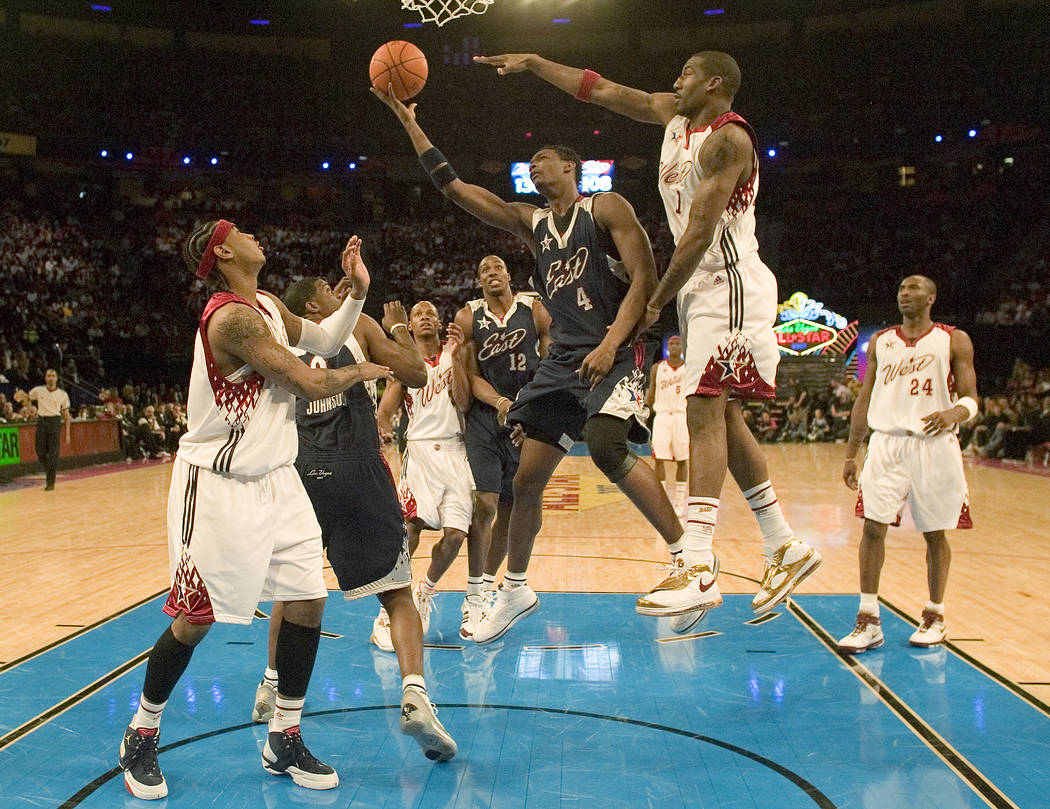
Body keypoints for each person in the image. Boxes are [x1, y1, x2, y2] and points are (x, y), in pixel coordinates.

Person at [474, 50, 822, 618]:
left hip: (726, 278)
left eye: (684, 73)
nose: (672, 80)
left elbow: (701, 233)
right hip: (702, 288)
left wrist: (654, 301)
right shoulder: (674, 118)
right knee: (724, 418)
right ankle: (783, 543)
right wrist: (536, 63)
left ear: (713, 83)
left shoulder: (728, 141)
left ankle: (699, 565)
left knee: (704, 408)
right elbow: (601, 88)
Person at [372, 85, 686, 644]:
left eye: (544, 158)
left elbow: (645, 278)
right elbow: (455, 188)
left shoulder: (607, 206)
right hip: (565, 359)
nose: (535, 165)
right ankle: (514, 587)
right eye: (532, 161)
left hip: (616, 348)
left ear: (571, 166)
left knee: (609, 446)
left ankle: (687, 560)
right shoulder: (530, 222)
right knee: (527, 478)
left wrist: (612, 342)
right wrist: (408, 122)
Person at [117, 220, 386, 800]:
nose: (254, 236)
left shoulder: (265, 302)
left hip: (277, 478)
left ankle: (284, 734)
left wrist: (358, 292)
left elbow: (319, 340)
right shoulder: (230, 317)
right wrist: (362, 372)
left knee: (309, 599)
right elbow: (306, 380)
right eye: (239, 231)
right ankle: (141, 731)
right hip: (217, 485)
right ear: (224, 252)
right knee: (196, 619)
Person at [249, 277, 456, 762]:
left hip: (301, 473)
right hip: (358, 468)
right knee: (398, 594)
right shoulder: (358, 326)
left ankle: (270, 686)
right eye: (326, 287)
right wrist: (399, 328)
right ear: (313, 303)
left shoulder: (278, 337)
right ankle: (414, 695)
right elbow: (416, 374)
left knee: (293, 589)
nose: (337, 289)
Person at [837, 275, 978, 653]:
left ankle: (935, 614)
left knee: (935, 533)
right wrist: (852, 452)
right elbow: (864, 399)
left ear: (931, 297)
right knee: (872, 529)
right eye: (900, 288)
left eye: (913, 288)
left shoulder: (954, 339)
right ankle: (868, 620)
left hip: (935, 445)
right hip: (886, 444)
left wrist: (954, 412)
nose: (904, 292)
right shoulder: (881, 342)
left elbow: (973, 399)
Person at [452, 255, 550, 611]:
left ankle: (490, 584)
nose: (492, 273)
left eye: (497, 268)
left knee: (515, 504)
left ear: (509, 275)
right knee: (486, 503)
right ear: (479, 281)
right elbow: (470, 375)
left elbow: (551, 363)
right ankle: (473, 590)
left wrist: (529, 410)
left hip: (527, 419)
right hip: (485, 418)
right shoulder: (468, 316)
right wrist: (501, 403)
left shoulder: (535, 309)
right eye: (484, 270)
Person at [376, 300, 476, 640]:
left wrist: (460, 359)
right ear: (411, 325)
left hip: (456, 448)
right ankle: (388, 606)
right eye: (418, 314)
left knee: (456, 536)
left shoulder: (453, 353)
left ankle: (426, 590)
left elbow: (464, 402)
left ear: (439, 322)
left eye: (431, 313)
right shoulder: (407, 363)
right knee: (411, 527)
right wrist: (382, 425)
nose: (425, 317)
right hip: (418, 450)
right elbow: (387, 405)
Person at [646, 335, 689, 518]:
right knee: (659, 459)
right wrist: (645, 414)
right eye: (671, 343)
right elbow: (651, 393)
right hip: (662, 416)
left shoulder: (689, 368)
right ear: (667, 346)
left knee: (682, 460)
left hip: (681, 416)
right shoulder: (657, 368)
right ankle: (662, 502)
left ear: (682, 347)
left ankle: (679, 501)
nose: (674, 346)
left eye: (677, 343)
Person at [15, 369, 70, 490]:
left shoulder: (62, 394)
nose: (51, 378)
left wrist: (67, 433)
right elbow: (27, 398)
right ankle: (50, 471)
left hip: (55, 421)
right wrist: (21, 397)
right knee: (39, 451)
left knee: (54, 452)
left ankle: (50, 482)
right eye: (48, 376)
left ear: (56, 378)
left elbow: (66, 415)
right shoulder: (38, 390)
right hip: (42, 421)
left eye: (53, 376)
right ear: (45, 378)